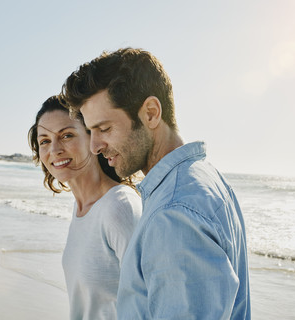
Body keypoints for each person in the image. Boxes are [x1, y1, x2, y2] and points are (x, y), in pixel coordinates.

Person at [61, 48, 251, 319]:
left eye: (104, 129)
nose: (94, 146)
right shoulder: (204, 179)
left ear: (150, 113)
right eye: (90, 131)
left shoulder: (173, 213)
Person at [28, 96, 142, 320]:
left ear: (93, 139)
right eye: (44, 141)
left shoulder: (119, 207)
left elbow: (153, 303)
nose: (55, 149)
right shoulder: (82, 208)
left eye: (67, 135)